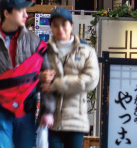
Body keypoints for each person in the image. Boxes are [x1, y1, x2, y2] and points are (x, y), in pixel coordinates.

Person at [0, 0, 53, 148]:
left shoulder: (35, 41)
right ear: (7, 13)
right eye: (21, 11)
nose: (26, 15)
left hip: (26, 109)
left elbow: (48, 79)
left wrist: (48, 110)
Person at [39, 8, 99, 148]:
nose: (60, 28)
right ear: (51, 28)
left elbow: (91, 79)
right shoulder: (44, 51)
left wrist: (56, 84)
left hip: (76, 120)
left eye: (64, 24)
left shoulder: (86, 51)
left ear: (71, 25)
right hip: (51, 119)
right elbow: (32, 79)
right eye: (55, 25)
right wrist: (40, 77)